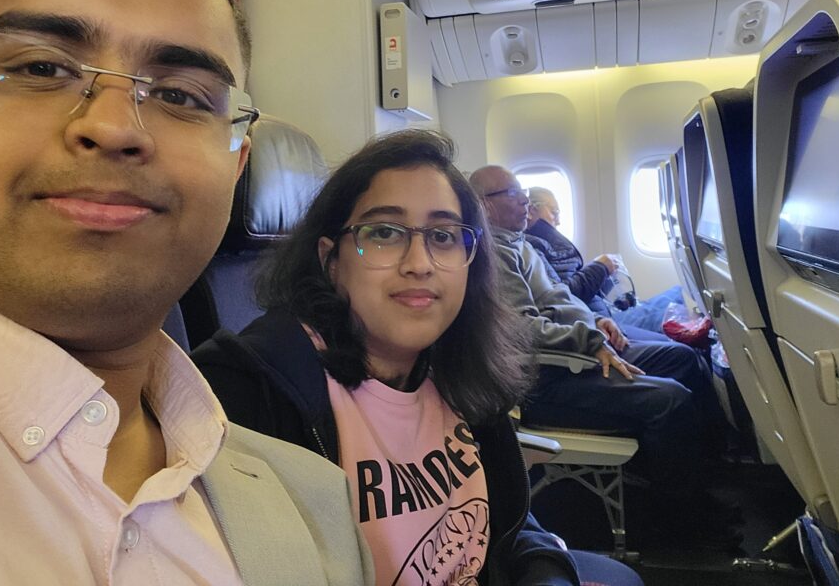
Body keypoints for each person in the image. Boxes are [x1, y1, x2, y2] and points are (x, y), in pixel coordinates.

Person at [0, 0, 371, 585]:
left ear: (234, 164)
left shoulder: (317, 507)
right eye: (41, 68)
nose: (118, 126)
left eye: (182, 96)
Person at [193, 131, 644, 586]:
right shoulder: (253, 393)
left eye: (443, 236)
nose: (420, 263)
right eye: (385, 232)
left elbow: (505, 517)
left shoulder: (457, 366)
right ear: (332, 259)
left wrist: (545, 573)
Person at [469, 166, 741, 549]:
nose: (525, 199)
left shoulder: (521, 243)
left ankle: (699, 478)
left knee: (681, 360)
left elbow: (562, 298)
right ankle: (681, 521)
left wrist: (596, 322)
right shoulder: (491, 255)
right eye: (513, 192)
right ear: (484, 204)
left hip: (574, 352)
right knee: (670, 401)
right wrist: (588, 341)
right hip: (547, 379)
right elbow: (522, 331)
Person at [525, 187, 683, 334]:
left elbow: (567, 284)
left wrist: (605, 275)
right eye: (554, 212)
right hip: (596, 323)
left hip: (600, 316)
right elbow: (567, 295)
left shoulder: (546, 242)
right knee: (673, 306)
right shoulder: (534, 246)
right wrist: (600, 267)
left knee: (675, 296)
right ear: (532, 210)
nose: (558, 221)